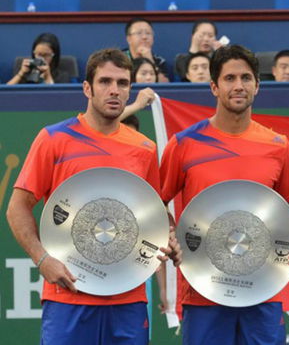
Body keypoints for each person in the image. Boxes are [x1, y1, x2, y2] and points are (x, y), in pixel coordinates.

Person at [5, 48, 181, 345]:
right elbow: (17, 208)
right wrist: (42, 258)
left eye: (123, 83)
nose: (114, 91)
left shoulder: (144, 148)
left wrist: (169, 236)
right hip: (68, 295)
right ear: (87, 87)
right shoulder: (53, 139)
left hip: (128, 298)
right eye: (105, 82)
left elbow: (155, 213)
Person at [160, 44, 289, 345]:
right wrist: (171, 236)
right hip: (203, 293)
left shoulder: (277, 145)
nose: (238, 86)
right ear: (214, 86)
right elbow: (154, 203)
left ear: (257, 85)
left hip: (263, 290)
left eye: (246, 78)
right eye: (229, 79)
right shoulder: (183, 144)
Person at [123, 17, 169, 82]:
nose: (144, 37)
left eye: (148, 33)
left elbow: (165, 86)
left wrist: (150, 60)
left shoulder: (160, 61)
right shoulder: (119, 58)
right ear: (129, 39)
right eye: (139, 33)